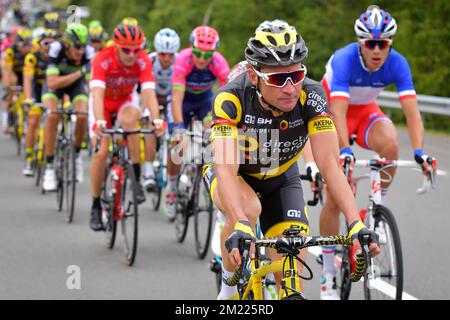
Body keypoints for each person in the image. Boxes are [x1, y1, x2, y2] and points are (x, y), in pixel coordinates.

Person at [203, 19, 380, 300]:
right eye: (277, 79)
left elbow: (329, 166)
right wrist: (238, 222)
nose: (289, 88)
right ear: (253, 76)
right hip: (234, 176)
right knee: (249, 210)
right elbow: (225, 167)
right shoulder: (231, 98)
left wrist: (354, 223)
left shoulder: (313, 97)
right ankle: (226, 294)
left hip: (281, 178)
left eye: (296, 76)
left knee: (292, 275)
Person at [318, 5, 435, 299]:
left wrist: (420, 151)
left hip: (366, 112)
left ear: (389, 44)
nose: (376, 49)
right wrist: (344, 149)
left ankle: (373, 208)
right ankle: (328, 274)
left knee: (392, 144)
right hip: (332, 112)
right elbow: (338, 110)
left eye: (382, 43)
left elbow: (412, 111)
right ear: (360, 43)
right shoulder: (345, 59)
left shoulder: (398, 63)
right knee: (334, 193)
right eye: (370, 43)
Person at [88, 23, 164, 231]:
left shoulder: (143, 59)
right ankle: (95, 204)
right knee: (101, 152)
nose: (132, 54)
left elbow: (148, 93)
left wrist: (156, 119)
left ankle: (136, 177)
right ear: (116, 47)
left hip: (124, 101)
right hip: (102, 103)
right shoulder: (103, 58)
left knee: (131, 124)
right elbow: (97, 94)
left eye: (136, 49)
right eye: (126, 50)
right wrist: (99, 121)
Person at [165, 25, 230, 219]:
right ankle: (170, 188)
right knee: (179, 143)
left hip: (204, 103)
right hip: (182, 102)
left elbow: (226, 95)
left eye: (207, 55)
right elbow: (176, 97)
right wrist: (179, 126)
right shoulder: (182, 60)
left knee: (214, 138)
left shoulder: (219, 62)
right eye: (198, 53)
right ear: (191, 47)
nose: (202, 59)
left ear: (214, 53)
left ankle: (208, 180)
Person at [41, 23, 92, 191]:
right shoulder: (56, 49)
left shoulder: (88, 54)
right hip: (55, 86)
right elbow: (52, 82)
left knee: (83, 115)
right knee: (52, 115)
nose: (81, 51)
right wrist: (78, 72)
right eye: (77, 46)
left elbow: (91, 83)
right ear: (68, 43)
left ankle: (76, 155)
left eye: (84, 46)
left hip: (75, 85)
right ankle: (49, 167)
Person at [141, 28, 180, 190]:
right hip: (151, 96)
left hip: (171, 96)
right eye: (163, 54)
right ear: (157, 51)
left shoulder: (180, 61)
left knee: (175, 132)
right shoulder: (149, 61)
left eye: (170, 54)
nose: (166, 58)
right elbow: (143, 87)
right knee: (150, 127)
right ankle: (149, 172)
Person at [22, 29, 57, 176]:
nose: (49, 47)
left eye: (53, 44)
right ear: (40, 44)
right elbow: (28, 81)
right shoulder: (32, 57)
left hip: (52, 92)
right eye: (46, 43)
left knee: (56, 119)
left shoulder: (57, 58)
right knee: (33, 121)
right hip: (37, 91)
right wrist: (28, 99)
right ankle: (29, 157)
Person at [1, 26, 33, 134]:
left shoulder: (32, 51)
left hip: (27, 74)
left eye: (28, 44)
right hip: (14, 73)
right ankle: (7, 120)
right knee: (11, 85)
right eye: (24, 44)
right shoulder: (11, 51)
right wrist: (7, 87)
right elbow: (7, 71)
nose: (26, 47)